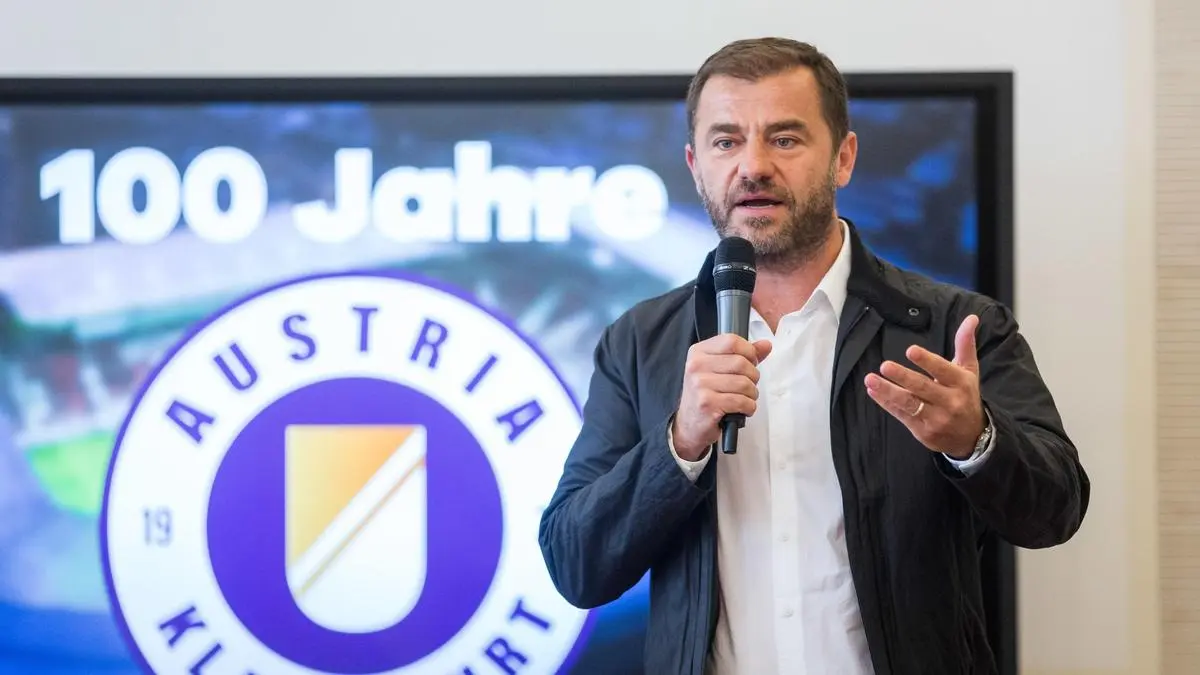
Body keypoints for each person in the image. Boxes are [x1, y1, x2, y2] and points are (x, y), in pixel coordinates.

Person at [538, 37, 1089, 675]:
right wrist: (678, 444)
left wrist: (977, 441)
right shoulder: (638, 343)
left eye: (785, 138)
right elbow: (576, 566)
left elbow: (1056, 513)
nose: (753, 166)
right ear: (694, 165)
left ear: (843, 157)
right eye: (726, 142)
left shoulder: (956, 328)